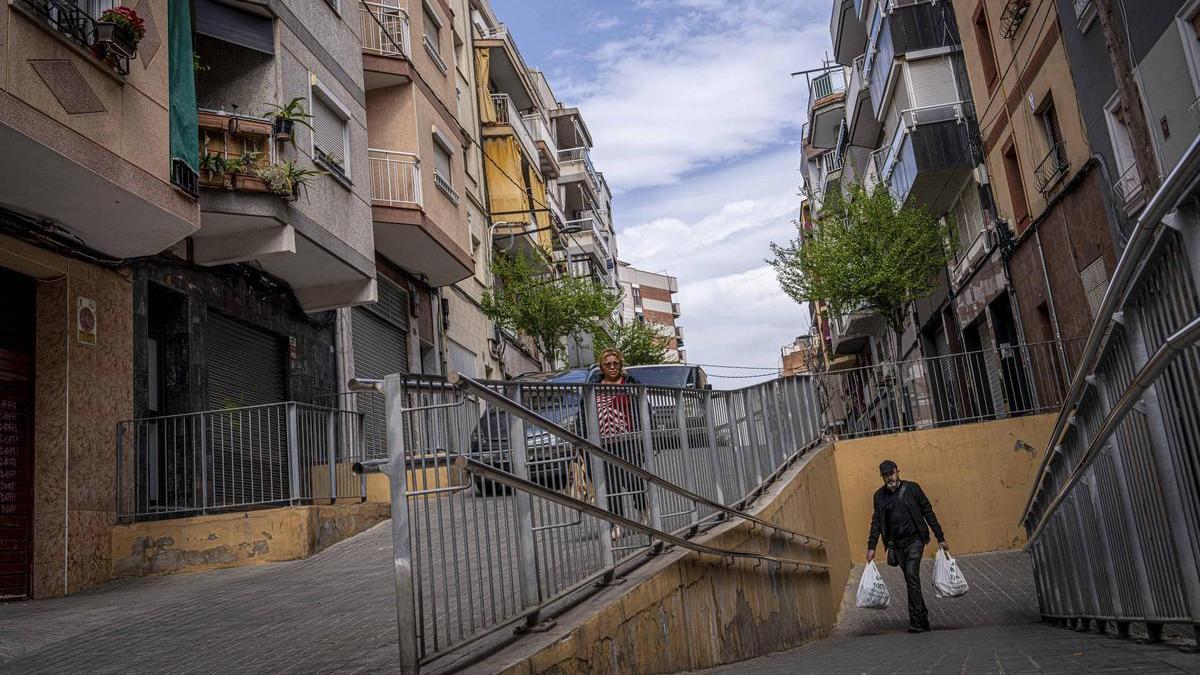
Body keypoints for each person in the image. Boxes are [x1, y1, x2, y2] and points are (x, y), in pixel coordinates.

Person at [866, 460, 948, 633]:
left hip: (915, 540)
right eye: (886, 475)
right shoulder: (879, 496)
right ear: (882, 477)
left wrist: (940, 537)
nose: (890, 477)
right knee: (911, 580)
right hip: (896, 545)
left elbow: (928, 512)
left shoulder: (912, 489)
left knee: (911, 575)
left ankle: (915, 620)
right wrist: (871, 546)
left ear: (897, 471)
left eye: (892, 473)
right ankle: (923, 618)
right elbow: (876, 522)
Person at [587, 349, 645, 538]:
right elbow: (584, 412)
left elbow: (644, 409)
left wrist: (646, 438)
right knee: (610, 486)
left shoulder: (630, 383)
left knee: (632, 479)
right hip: (602, 443)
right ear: (601, 367)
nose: (612, 367)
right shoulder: (592, 386)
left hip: (628, 440)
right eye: (608, 364)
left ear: (621, 365)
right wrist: (581, 436)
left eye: (616, 364)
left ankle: (644, 513)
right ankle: (616, 524)